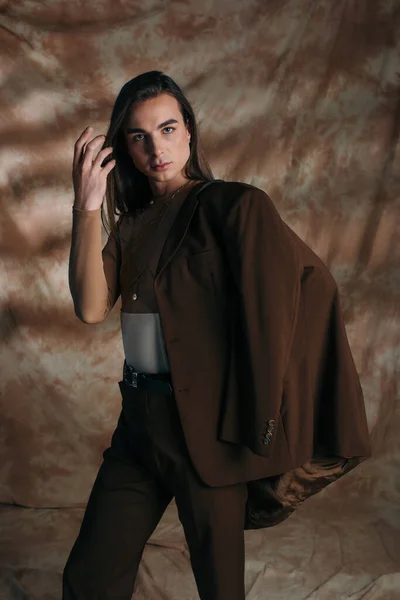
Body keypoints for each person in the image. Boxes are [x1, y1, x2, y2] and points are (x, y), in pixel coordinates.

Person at [63, 71, 371, 599]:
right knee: (89, 577)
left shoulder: (234, 206)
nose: (156, 147)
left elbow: (290, 297)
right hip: (138, 424)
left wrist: (259, 415)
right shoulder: (133, 224)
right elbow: (91, 308)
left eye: (167, 128)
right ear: (125, 147)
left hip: (208, 431)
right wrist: (87, 205)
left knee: (218, 585)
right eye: (139, 136)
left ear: (188, 132)